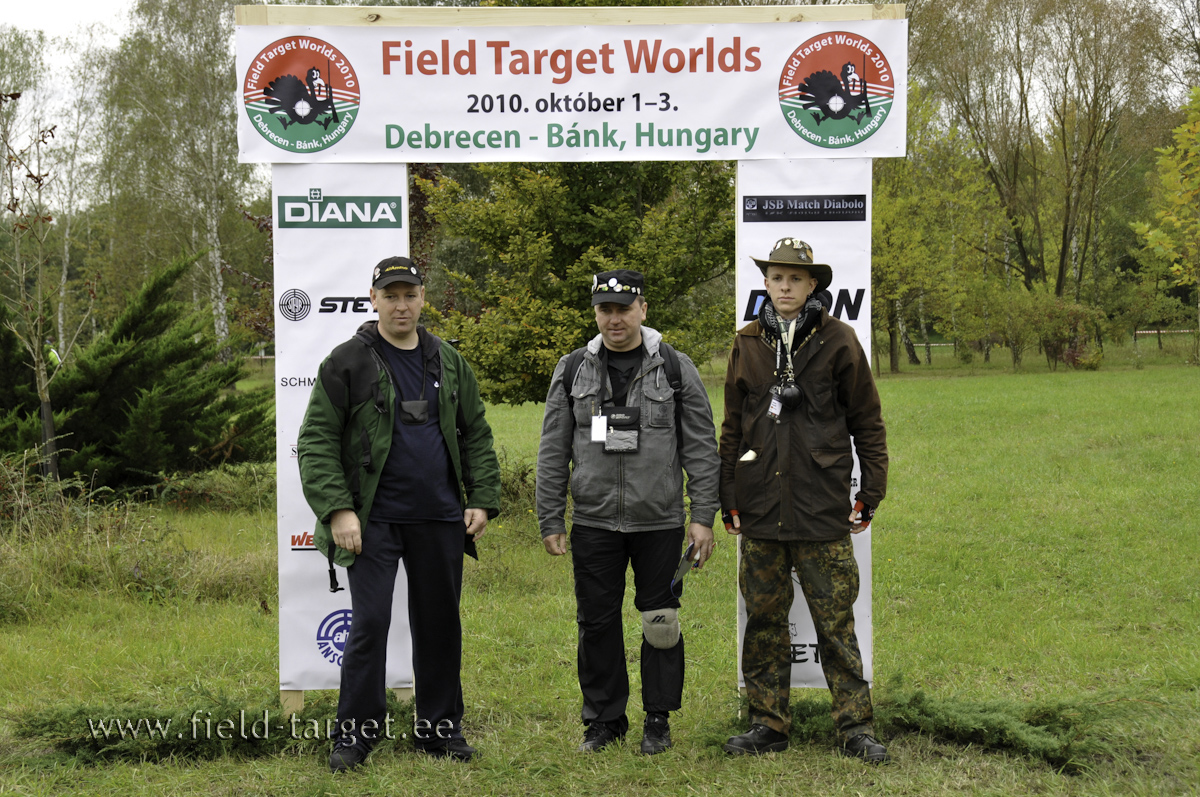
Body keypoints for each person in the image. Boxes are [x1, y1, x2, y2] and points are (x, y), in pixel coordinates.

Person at [298, 256, 500, 771]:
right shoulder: (347, 361)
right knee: (369, 624)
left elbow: (476, 432)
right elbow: (316, 441)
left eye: (410, 295)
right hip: (372, 521)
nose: (401, 305)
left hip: (439, 516)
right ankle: (356, 735)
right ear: (374, 300)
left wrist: (480, 497)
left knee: (439, 625)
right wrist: (338, 510)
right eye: (391, 296)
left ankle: (439, 729)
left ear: (422, 298)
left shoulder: (449, 361)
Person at [719, 238, 890, 763]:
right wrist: (728, 494)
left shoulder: (840, 340)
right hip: (762, 506)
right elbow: (732, 426)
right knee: (763, 621)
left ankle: (855, 727)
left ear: (813, 284)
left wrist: (871, 491)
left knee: (835, 622)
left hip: (821, 506)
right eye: (777, 278)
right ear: (765, 284)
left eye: (795, 278)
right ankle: (768, 723)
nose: (786, 286)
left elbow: (867, 422)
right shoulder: (748, 342)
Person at [536, 268, 721, 755]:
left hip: (659, 520)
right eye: (605, 310)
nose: (614, 319)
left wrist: (703, 517)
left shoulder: (675, 368)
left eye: (623, 309)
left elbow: (702, 448)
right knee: (596, 623)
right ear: (596, 313)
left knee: (661, 621)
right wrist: (550, 517)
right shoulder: (573, 368)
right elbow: (553, 449)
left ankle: (657, 719)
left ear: (643, 309)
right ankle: (604, 720)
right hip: (594, 521)